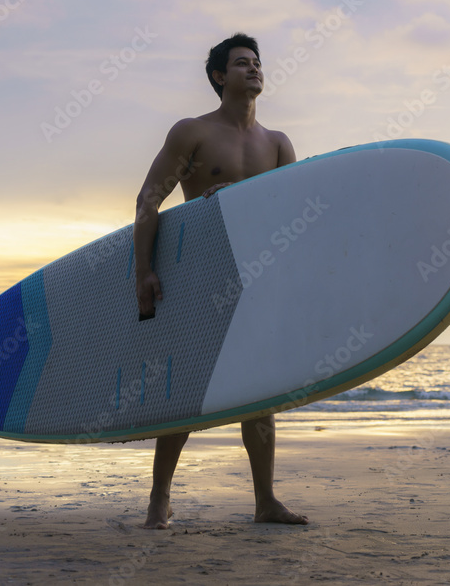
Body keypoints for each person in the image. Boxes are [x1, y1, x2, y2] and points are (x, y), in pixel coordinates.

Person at [132, 33, 307, 528]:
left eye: (257, 63)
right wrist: (143, 271)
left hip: (258, 276)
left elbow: (291, 217)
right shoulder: (192, 132)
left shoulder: (278, 143)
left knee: (263, 392)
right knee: (188, 389)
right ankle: (159, 499)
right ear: (218, 76)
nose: (253, 69)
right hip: (203, 274)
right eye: (241, 63)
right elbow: (149, 200)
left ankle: (265, 501)